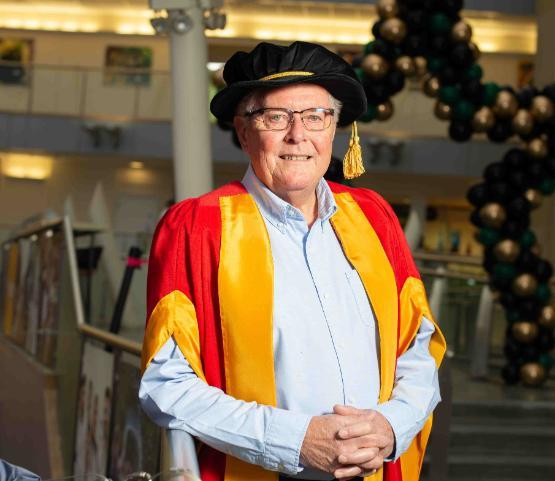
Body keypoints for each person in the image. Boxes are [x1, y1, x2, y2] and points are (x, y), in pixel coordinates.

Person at [139, 41, 445, 481]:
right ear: (244, 133)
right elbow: (166, 385)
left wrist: (390, 425)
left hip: (376, 470)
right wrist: (294, 440)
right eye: (275, 117)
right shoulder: (197, 227)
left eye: (316, 116)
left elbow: (417, 346)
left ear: (336, 129)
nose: (298, 136)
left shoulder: (373, 217)